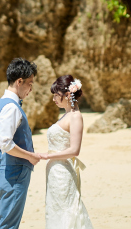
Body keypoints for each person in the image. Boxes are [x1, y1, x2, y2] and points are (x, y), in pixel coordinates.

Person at [37, 75, 94, 229]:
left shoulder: (75, 117)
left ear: (68, 95)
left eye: (56, 95)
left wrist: (47, 155)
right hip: (55, 171)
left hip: (63, 172)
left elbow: (75, 150)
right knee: (55, 210)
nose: (54, 99)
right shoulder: (66, 115)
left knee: (65, 211)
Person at [0, 58, 41, 229]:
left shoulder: (3, 103)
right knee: (7, 225)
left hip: (7, 170)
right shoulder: (12, 107)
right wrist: (31, 156)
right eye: (30, 83)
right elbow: (4, 143)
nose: (30, 89)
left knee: (4, 223)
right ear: (19, 81)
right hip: (15, 173)